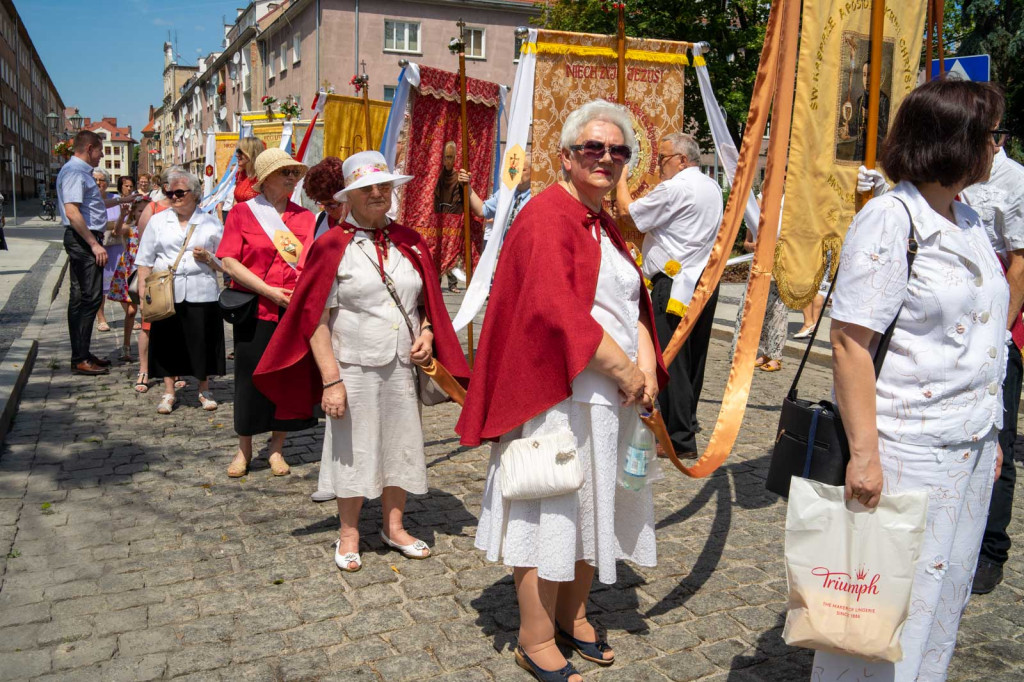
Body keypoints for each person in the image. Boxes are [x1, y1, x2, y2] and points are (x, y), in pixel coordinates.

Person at [458, 100, 666, 681]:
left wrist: (646, 368)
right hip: (562, 396)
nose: (606, 158)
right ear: (566, 157)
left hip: (610, 399)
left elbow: (632, 304)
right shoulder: (548, 214)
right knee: (548, 511)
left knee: (592, 509)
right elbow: (555, 310)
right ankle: (535, 635)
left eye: (617, 150)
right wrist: (627, 372)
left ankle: (572, 614)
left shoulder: (600, 221)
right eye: (593, 147)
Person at [822, 78, 1008, 682]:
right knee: (883, 606)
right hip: (909, 449)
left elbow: (984, 332)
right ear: (955, 141)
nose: (997, 146)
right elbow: (851, 344)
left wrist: (991, 432)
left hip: (968, 445)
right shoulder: (890, 219)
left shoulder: (967, 217)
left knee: (942, 594)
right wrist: (864, 457)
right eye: (990, 135)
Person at [253, 151, 470, 572]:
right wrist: (331, 380)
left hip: (401, 366)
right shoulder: (331, 245)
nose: (377, 194)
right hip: (352, 368)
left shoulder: (410, 241)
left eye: (383, 186)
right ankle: (350, 532)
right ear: (348, 196)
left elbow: (426, 304)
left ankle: (394, 526)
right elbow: (315, 319)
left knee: (401, 445)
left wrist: (427, 334)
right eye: (366, 188)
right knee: (351, 450)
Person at [615, 132, 724, 458]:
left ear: (682, 160)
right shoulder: (712, 187)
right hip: (704, 280)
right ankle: (687, 423)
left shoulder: (676, 187)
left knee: (671, 360)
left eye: (663, 158)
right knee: (694, 359)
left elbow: (628, 212)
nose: (659, 165)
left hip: (674, 283)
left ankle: (679, 440)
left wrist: (621, 178)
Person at [217, 148, 316, 478]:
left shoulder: (305, 218)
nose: (291, 177)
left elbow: (309, 264)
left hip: (290, 313)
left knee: (284, 379)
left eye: (294, 172)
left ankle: (276, 448)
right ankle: (244, 449)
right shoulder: (242, 213)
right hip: (255, 310)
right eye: (284, 172)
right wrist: (269, 291)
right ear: (265, 177)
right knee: (248, 379)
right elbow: (229, 261)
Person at [135, 168, 225, 414]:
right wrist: (143, 292)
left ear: (194, 194)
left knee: (201, 340)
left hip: (201, 289)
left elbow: (227, 260)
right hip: (166, 290)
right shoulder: (158, 221)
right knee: (167, 340)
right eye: (169, 193)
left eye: (179, 193)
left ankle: (204, 389)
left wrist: (209, 258)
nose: (173, 197)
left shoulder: (210, 222)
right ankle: (169, 391)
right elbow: (144, 259)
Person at [57, 130, 124, 375]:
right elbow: (73, 211)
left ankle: (82, 354)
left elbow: (92, 205)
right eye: (100, 150)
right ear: (89, 149)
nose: (101, 155)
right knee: (90, 297)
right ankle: (80, 358)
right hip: (83, 239)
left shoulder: (81, 173)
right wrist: (93, 244)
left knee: (80, 298)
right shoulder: (75, 172)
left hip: (83, 238)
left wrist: (123, 200)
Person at [107, 196, 149, 363]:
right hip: (130, 272)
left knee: (147, 312)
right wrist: (122, 215)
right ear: (134, 212)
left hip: (146, 273)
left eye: (146, 211)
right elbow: (117, 231)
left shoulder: (153, 228)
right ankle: (126, 346)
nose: (143, 214)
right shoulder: (131, 228)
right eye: (140, 211)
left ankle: (148, 348)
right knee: (131, 312)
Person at [463, 152, 533, 247]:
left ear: (532, 171)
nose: (517, 173)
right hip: (503, 250)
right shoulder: (505, 193)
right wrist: (467, 185)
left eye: (523, 170)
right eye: (516, 169)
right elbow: (481, 210)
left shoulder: (536, 197)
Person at [94, 169, 124, 334]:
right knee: (99, 285)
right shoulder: (89, 199)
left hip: (117, 247)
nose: (99, 183)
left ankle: (129, 314)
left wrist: (118, 225)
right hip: (99, 247)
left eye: (102, 180)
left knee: (121, 282)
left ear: (107, 182)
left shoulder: (115, 199)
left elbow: (125, 221)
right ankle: (101, 318)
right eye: (95, 180)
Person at [219, 137, 266, 220]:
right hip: (240, 220)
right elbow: (236, 202)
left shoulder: (263, 177)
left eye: (240, 152)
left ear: (251, 153)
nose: (237, 155)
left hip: (257, 222)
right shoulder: (241, 175)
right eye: (237, 151)